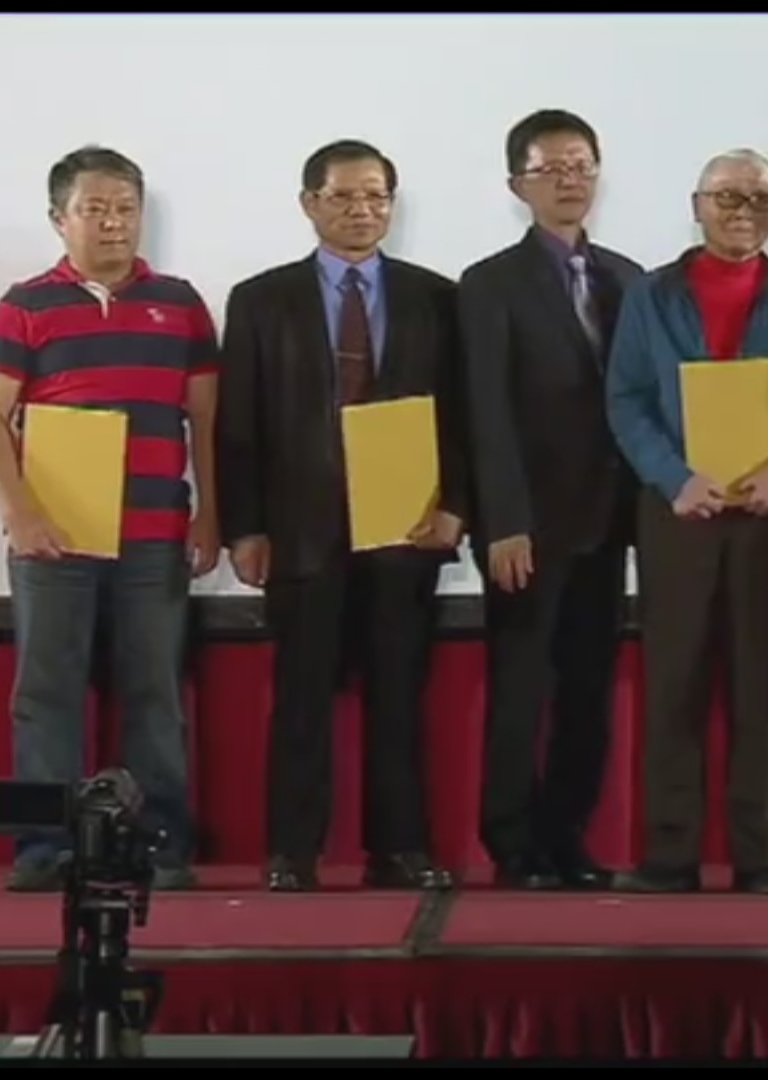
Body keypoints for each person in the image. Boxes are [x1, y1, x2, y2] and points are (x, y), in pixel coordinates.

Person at [214, 139, 468, 893]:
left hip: (406, 526)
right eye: (345, 196)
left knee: (398, 697)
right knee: (301, 698)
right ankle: (293, 852)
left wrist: (458, 507)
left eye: (376, 196)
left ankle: (402, 849)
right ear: (309, 204)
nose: (363, 210)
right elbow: (238, 423)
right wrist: (244, 527)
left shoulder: (436, 297)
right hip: (302, 531)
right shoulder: (262, 300)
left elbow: (463, 415)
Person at [604, 148, 768, 895]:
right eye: (727, 197)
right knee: (673, 682)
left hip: (767, 514)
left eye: (760, 199)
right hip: (678, 510)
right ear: (697, 205)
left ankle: (765, 855)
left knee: (762, 682)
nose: (743, 211)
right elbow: (626, 398)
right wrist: (672, 477)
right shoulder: (650, 296)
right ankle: (668, 856)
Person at [0, 145, 219, 893]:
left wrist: (212, 515)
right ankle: (41, 849)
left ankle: (161, 846)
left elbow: (206, 423)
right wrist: (20, 516)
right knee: (45, 695)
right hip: (54, 538)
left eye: (126, 209)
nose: (114, 223)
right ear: (60, 218)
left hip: (155, 537)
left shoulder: (180, 303)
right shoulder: (24, 305)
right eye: (95, 209)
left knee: (154, 694)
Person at [458, 109, 644, 891]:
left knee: (587, 691)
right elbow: (485, 410)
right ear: (517, 185)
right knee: (522, 689)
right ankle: (513, 842)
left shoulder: (631, 279)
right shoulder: (489, 283)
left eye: (581, 166)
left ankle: (567, 837)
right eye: (551, 169)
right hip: (528, 527)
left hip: (609, 519)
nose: (570, 181)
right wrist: (503, 521)